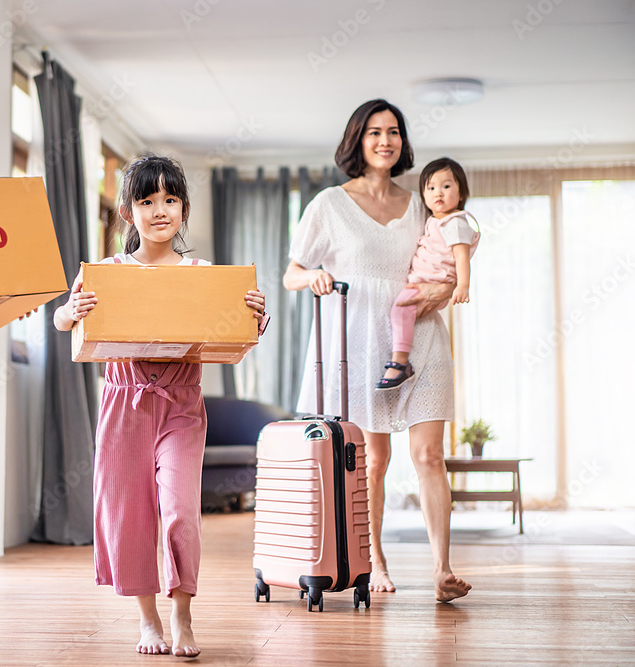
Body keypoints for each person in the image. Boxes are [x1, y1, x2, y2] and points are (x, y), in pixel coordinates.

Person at [54, 154, 266, 656]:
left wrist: (255, 316)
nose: (160, 210)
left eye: (170, 199)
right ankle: (147, 621)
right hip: (123, 401)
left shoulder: (202, 273)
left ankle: (182, 615)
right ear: (128, 212)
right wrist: (69, 310)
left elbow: (238, 334)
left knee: (178, 510)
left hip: (181, 404)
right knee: (130, 513)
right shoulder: (106, 272)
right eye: (147, 201)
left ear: (184, 208)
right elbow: (67, 326)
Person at [282, 99, 472, 602]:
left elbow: (447, 257)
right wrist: (313, 276)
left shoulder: (420, 204)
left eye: (393, 132)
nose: (385, 141)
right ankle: (374, 561)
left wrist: (447, 288)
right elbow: (290, 273)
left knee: (430, 454)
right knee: (373, 460)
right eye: (373, 132)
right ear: (357, 141)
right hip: (361, 343)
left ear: (402, 142)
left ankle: (442, 571)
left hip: (421, 339)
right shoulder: (328, 203)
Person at [376, 157, 480, 390]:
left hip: (433, 280)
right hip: (426, 280)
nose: (438, 193)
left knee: (400, 309)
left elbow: (461, 256)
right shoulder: (435, 220)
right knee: (403, 312)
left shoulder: (455, 222)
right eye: (431, 188)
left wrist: (462, 286)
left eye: (446, 186)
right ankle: (401, 358)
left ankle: (401, 362)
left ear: (461, 194)